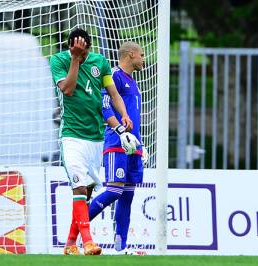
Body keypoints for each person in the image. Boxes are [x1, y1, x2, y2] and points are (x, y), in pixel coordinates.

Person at [50, 28, 138, 256]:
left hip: (96, 138)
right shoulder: (58, 61)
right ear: (71, 48)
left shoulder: (101, 62)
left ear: (89, 47)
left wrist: (124, 114)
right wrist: (75, 60)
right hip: (72, 136)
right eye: (78, 52)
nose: (83, 55)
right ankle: (88, 242)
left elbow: (113, 93)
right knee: (79, 187)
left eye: (85, 52)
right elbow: (68, 90)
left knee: (87, 192)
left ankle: (70, 244)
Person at [89, 41, 148, 255]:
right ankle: (78, 230)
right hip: (117, 143)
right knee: (114, 190)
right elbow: (105, 107)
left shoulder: (132, 81)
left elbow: (133, 115)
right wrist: (122, 132)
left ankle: (120, 248)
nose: (143, 59)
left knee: (127, 196)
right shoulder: (114, 75)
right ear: (130, 54)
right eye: (141, 55)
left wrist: (141, 144)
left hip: (134, 145)